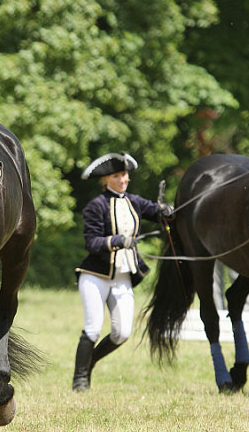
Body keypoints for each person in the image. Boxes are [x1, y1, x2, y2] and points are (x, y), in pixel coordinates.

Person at [72, 151, 174, 391]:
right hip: (95, 276)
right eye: (117, 176)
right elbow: (91, 242)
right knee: (93, 327)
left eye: (124, 174)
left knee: (122, 332)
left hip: (122, 277)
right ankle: (80, 378)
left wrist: (166, 211)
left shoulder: (134, 201)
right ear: (106, 180)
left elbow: (155, 212)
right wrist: (118, 240)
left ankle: (91, 361)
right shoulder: (95, 206)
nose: (123, 179)